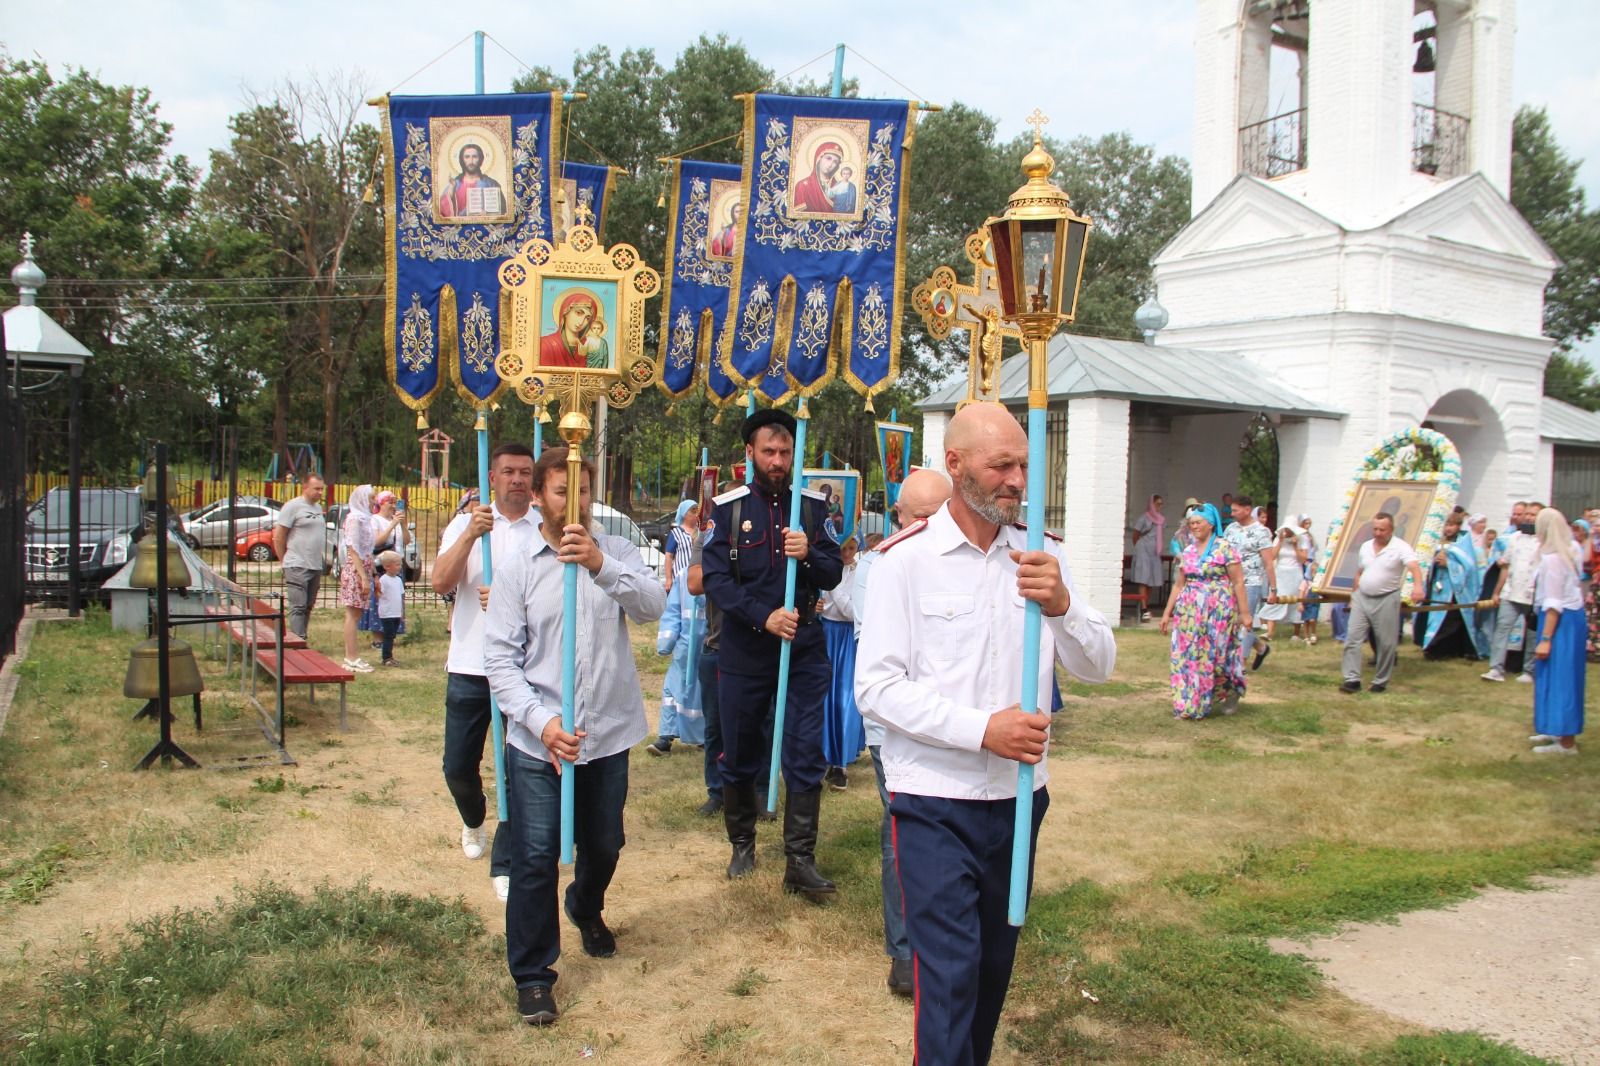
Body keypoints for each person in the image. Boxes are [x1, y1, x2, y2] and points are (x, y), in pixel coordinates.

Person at [855, 402, 1116, 1066]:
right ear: (956, 464)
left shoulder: (1041, 554)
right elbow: (876, 689)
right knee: (948, 978)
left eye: (1024, 465)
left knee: (991, 973)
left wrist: (1062, 606)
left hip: (1021, 799)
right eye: (1002, 465)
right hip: (935, 801)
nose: (1016, 480)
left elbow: (1099, 665)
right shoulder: (903, 562)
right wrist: (982, 731)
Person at [483, 446, 665, 1027]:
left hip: (607, 732)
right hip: (541, 739)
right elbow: (501, 661)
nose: (575, 503)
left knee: (605, 843)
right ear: (539, 496)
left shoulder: (613, 550)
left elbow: (653, 606)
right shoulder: (518, 568)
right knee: (535, 857)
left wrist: (599, 566)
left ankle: (586, 905)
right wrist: (542, 723)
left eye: (583, 491)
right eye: (562, 492)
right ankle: (534, 975)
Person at [701, 408, 843, 897]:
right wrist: (763, 616)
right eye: (769, 452)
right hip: (746, 649)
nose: (778, 460)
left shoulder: (812, 509)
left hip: (803, 649)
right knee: (740, 750)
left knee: (805, 750)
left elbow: (833, 573)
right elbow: (715, 582)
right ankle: (742, 843)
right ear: (751, 454)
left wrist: (811, 554)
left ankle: (800, 860)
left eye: (785, 452)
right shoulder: (728, 509)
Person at [853, 467, 951, 997]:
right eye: (921, 517)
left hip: (952, 729)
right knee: (903, 834)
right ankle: (905, 951)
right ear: (899, 518)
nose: (932, 527)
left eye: (941, 515)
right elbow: (886, 659)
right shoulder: (881, 566)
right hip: (893, 728)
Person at [433, 443, 540, 902]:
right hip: (470, 664)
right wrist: (471, 536)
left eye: (525, 472)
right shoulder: (467, 523)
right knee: (458, 765)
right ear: (492, 478)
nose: (517, 479)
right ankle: (473, 817)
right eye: (508, 472)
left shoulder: (543, 528)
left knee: (519, 770)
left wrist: (510, 601)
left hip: (523, 667)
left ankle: (507, 860)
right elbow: (439, 582)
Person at [1160, 504, 1251, 719]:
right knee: (1187, 657)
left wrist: (1244, 612)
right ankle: (1189, 705)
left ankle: (1229, 690)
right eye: (1191, 523)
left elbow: (1238, 582)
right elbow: (1178, 585)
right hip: (1189, 613)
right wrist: (1167, 613)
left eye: (1198, 522)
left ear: (1211, 524)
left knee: (1216, 657)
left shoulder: (1225, 549)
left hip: (1218, 612)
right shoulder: (1188, 551)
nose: (1194, 526)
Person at [1340, 512, 1425, 694]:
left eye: (1382, 530)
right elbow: (1360, 572)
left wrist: (1418, 586)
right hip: (1362, 597)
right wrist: (1353, 596)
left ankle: (1380, 680)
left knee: (1386, 643)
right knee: (1352, 639)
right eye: (1375, 529)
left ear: (1391, 530)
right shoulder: (1365, 547)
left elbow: (1414, 567)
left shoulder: (1401, 547)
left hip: (1386, 597)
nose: (1378, 533)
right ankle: (1352, 679)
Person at [1529, 508, 1586, 754]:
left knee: (1562, 677)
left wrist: (1545, 639)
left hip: (1560, 621)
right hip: (1570, 618)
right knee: (1554, 675)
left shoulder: (1554, 559)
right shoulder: (1571, 549)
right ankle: (1554, 728)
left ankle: (1566, 741)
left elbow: (1554, 601)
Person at [1483, 501, 1543, 683]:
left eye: (1534, 514)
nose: (1529, 517)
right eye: (1528, 514)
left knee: (1532, 634)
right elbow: (1505, 567)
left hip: (1533, 594)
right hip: (1510, 592)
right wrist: (1496, 592)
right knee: (1502, 629)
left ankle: (1529, 671)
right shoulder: (1514, 538)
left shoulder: (1544, 540)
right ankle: (1496, 668)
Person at [819, 536, 862, 790]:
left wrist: (832, 588)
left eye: (851, 548)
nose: (846, 553)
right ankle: (822, 754)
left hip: (846, 637)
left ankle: (840, 764)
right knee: (823, 695)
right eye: (842, 548)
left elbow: (851, 611)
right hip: (825, 634)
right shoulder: (826, 567)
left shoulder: (859, 573)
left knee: (844, 697)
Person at [652, 556, 706, 753]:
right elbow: (673, 610)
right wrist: (666, 641)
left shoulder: (721, 573)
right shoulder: (683, 576)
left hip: (710, 645)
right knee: (672, 689)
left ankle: (705, 735)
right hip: (685, 646)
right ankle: (666, 736)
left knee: (704, 693)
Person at [1416, 513, 1486, 660]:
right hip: (1437, 587)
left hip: (1454, 589)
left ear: (1458, 526)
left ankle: (1442, 649)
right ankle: (1432, 646)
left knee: (1450, 619)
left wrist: (1449, 564)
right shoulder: (1437, 541)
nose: (1448, 529)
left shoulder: (1463, 543)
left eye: (1452, 525)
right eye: (1446, 525)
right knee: (1435, 616)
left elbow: (1470, 568)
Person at [272, 474, 326, 640]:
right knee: (298, 606)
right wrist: (284, 561)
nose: (320, 493)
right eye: (316, 489)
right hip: (296, 563)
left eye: (322, 489)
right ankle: (297, 640)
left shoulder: (318, 509)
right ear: (305, 488)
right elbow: (279, 536)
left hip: (315, 564)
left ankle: (302, 636)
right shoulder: (293, 506)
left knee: (308, 605)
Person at [1223, 494, 1273, 669]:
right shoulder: (1230, 529)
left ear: (1247, 509)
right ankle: (1261, 647)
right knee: (1231, 621)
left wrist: (1273, 589)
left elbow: (1268, 561)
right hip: (1230, 581)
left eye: (1236, 510)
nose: (1233, 513)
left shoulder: (1262, 532)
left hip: (1251, 582)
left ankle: (1240, 664)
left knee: (1246, 620)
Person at [360, 492, 407, 648]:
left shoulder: (397, 521)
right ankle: (378, 638)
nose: (393, 505)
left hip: (396, 564)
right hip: (382, 566)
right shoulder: (375, 520)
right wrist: (392, 525)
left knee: (394, 599)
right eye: (390, 502)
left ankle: (390, 635)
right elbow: (375, 542)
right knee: (381, 600)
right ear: (381, 503)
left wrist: (403, 525)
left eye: (395, 502)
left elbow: (406, 541)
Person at [338, 485, 377, 673]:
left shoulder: (365, 519)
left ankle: (351, 655)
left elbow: (368, 549)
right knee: (353, 614)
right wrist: (363, 577)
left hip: (365, 567)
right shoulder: (355, 519)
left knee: (357, 613)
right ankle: (351, 657)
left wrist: (373, 574)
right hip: (356, 569)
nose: (374, 502)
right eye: (371, 498)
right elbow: (353, 549)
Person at [1259, 524, 1307, 645]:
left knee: (1295, 600)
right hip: (1281, 573)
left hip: (1295, 572)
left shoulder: (1302, 539)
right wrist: (1280, 541)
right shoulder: (1278, 539)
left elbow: (1303, 559)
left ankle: (1296, 633)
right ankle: (1270, 632)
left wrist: (1296, 546)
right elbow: (1273, 556)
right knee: (1276, 598)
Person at [437, 142, 503, 218]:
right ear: (462, 160)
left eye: (475, 157)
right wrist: (451, 193)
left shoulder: (491, 184)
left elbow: (503, 211)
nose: (471, 161)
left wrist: (490, 215)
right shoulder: (455, 184)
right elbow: (441, 213)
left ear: (480, 160)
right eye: (467, 157)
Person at [539, 291, 603, 368]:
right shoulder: (545, 344)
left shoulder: (592, 345)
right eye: (579, 313)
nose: (581, 322)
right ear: (565, 312)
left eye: (587, 318)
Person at [1128, 494, 1165, 622]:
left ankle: (1146, 606)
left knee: (1152, 579)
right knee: (1143, 579)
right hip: (1143, 550)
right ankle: (1143, 608)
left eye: (1161, 504)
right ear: (1152, 504)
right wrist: (1139, 548)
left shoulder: (1161, 519)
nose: (1160, 506)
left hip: (1154, 552)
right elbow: (1136, 534)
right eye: (1157, 504)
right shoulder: (1144, 518)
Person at [791, 141, 848, 215]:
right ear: (819, 158)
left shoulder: (839, 187)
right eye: (828, 158)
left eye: (835, 162)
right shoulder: (802, 186)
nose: (830, 164)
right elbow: (798, 217)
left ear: (837, 166)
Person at [375, 550, 405, 668]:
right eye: (397, 564)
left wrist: (402, 612)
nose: (400, 567)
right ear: (387, 566)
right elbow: (379, 595)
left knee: (392, 636)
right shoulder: (383, 580)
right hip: (387, 613)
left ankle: (390, 656)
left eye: (400, 564)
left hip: (396, 613)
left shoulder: (398, 580)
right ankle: (386, 657)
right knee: (388, 636)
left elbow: (401, 596)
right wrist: (377, 589)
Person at [1296, 514, 1322, 644]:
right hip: (1304, 563)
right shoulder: (1300, 536)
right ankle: (1305, 632)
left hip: (1310, 563)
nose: (1307, 526)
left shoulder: (1309, 537)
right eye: (1305, 523)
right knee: (1305, 586)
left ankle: (1312, 632)